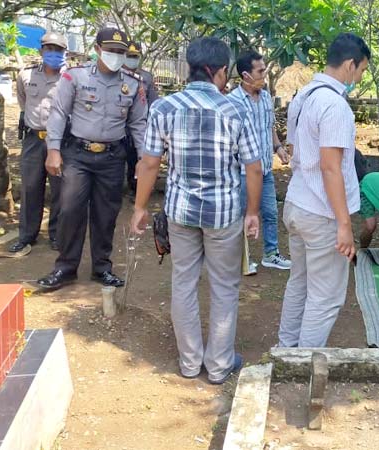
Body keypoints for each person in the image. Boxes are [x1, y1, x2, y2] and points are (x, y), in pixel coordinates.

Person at [130, 37, 263, 384]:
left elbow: (148, 164)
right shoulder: (235, 111)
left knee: (184, 283)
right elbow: (254, 168)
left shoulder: (163, 109)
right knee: (224, 287)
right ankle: (218, 366)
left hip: (181, 213)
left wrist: (140, 208)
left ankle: (189, 364)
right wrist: (252, 212)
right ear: (219, 72)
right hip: (223, 215)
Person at [278, 32, 370, 348]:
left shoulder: (305, 96)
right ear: (349, 64)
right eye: (361, 71)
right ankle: (302, 365)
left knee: (300, 283)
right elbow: (331, 167)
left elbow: (295, 150)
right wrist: (344, 225)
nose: (359, 77)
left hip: (298, 204)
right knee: (326, 297)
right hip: (321, 213)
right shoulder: (334, 105)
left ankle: (286, 350)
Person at [37, 28, 147, 290]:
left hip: (112, 157)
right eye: (111, 51)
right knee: (70, 210)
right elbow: (58, 113)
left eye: (121, 52)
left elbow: (139, 124)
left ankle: (102, 267)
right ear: (97, 49)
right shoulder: (76, 76)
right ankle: (65, 267)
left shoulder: (133, 84)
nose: (116, 56)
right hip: (78, 155)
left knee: (106, 213)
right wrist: (53, 149)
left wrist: (143, 157)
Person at [228, 50, 291, 271]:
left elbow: (270, 126)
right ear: (245, 75)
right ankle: (240, 259)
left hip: (264, 169)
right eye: (261, 71)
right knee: (241, 216)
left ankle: (271, 254)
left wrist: (278, 147)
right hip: (243, 173)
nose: (264, 74)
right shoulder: (233, 102)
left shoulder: (265, 97)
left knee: (271, 212)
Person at [8, 32, 68, 254]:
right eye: (49, 49)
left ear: (65, 53)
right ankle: (26, 236)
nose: (53, 54)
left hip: (61, 140)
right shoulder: (25, 76)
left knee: (60, 189)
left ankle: (56, 235)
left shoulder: (70, 77)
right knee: (30, 187)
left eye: (58, 50)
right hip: (34, 139)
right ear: (41, 51)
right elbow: (24, 102)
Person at [121, 41, 159, 199]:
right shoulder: (117, 74)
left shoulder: (146, 77)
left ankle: (135, 187)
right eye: (129, 56)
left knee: (136, 157)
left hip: (139, 125)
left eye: (134, 56)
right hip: (119, 125)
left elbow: (153, 102)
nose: (132, 59)